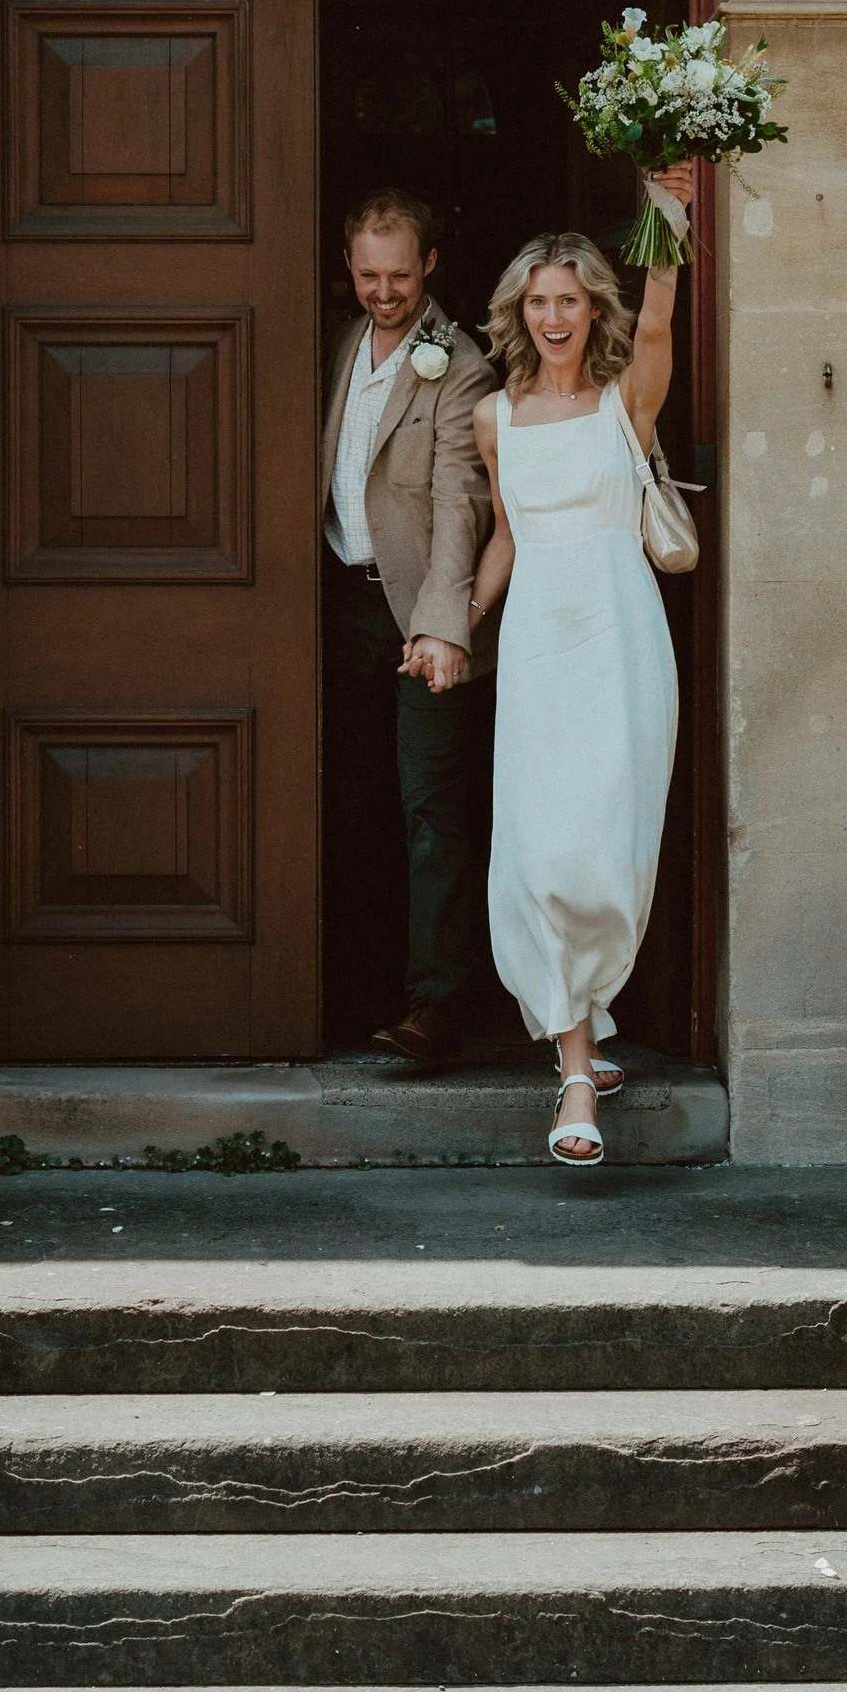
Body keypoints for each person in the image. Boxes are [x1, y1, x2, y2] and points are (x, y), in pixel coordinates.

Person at [469, 199, 687, 1167]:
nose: (553, 315)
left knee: (603, 848)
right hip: (536, 651)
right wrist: (452, 625)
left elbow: (660, 321)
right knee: (537, 850)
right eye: (537, 300)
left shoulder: (622, 402)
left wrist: (668, 212)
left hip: (619, 641)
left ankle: (584, 1018)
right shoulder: (492, 417)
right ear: (518, 311)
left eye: (568, 298)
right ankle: (571, 1063)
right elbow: (506, 535)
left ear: (591, 308)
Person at [319, 187, 502, 1071]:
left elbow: (462, 503)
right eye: (367, 275)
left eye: (398, 275)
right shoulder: (337, 343)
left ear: (428, 265)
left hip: (424, 616)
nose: (383, 292)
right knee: (352, 805)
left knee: (432, 809)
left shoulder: (457, 362)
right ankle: (356, 991)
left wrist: (445, 628)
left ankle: (437, 1005)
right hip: (339, 606)